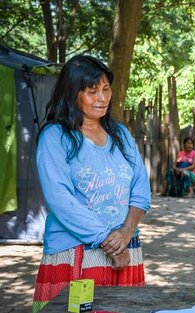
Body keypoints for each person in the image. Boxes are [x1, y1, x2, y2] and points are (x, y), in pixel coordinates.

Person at [32, 55, 151, 312]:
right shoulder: (55, 137)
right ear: (73, 93)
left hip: (124, 247)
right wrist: (107, 239)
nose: (102, 98)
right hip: (76, 254)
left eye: (106, 89)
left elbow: (140, 185)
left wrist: (127, 232)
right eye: (92, 91)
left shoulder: (120, 134)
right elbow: (60, 199)